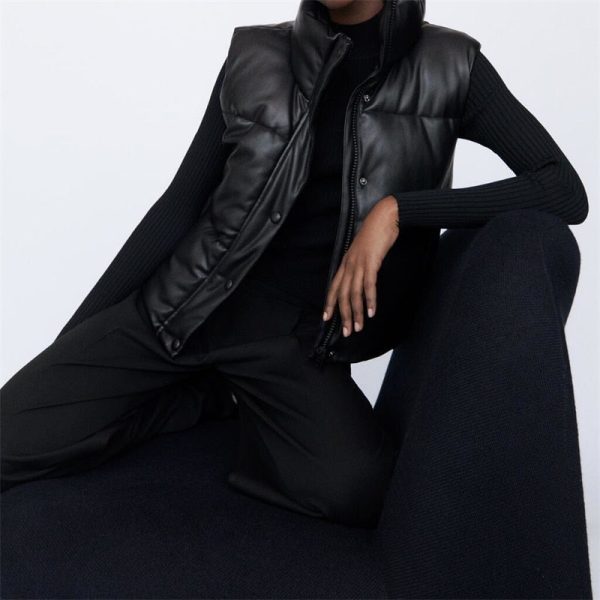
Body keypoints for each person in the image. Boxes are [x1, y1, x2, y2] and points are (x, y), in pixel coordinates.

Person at [0, 0, 588, 529]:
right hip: (184, 307)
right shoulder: (256, 53)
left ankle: (218, 399)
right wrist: (72, 345)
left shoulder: (450, 66)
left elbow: (563, 189)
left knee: (356, 489)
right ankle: (194, 397)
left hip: (291, 341)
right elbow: (180, 207)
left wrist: (398, 211)